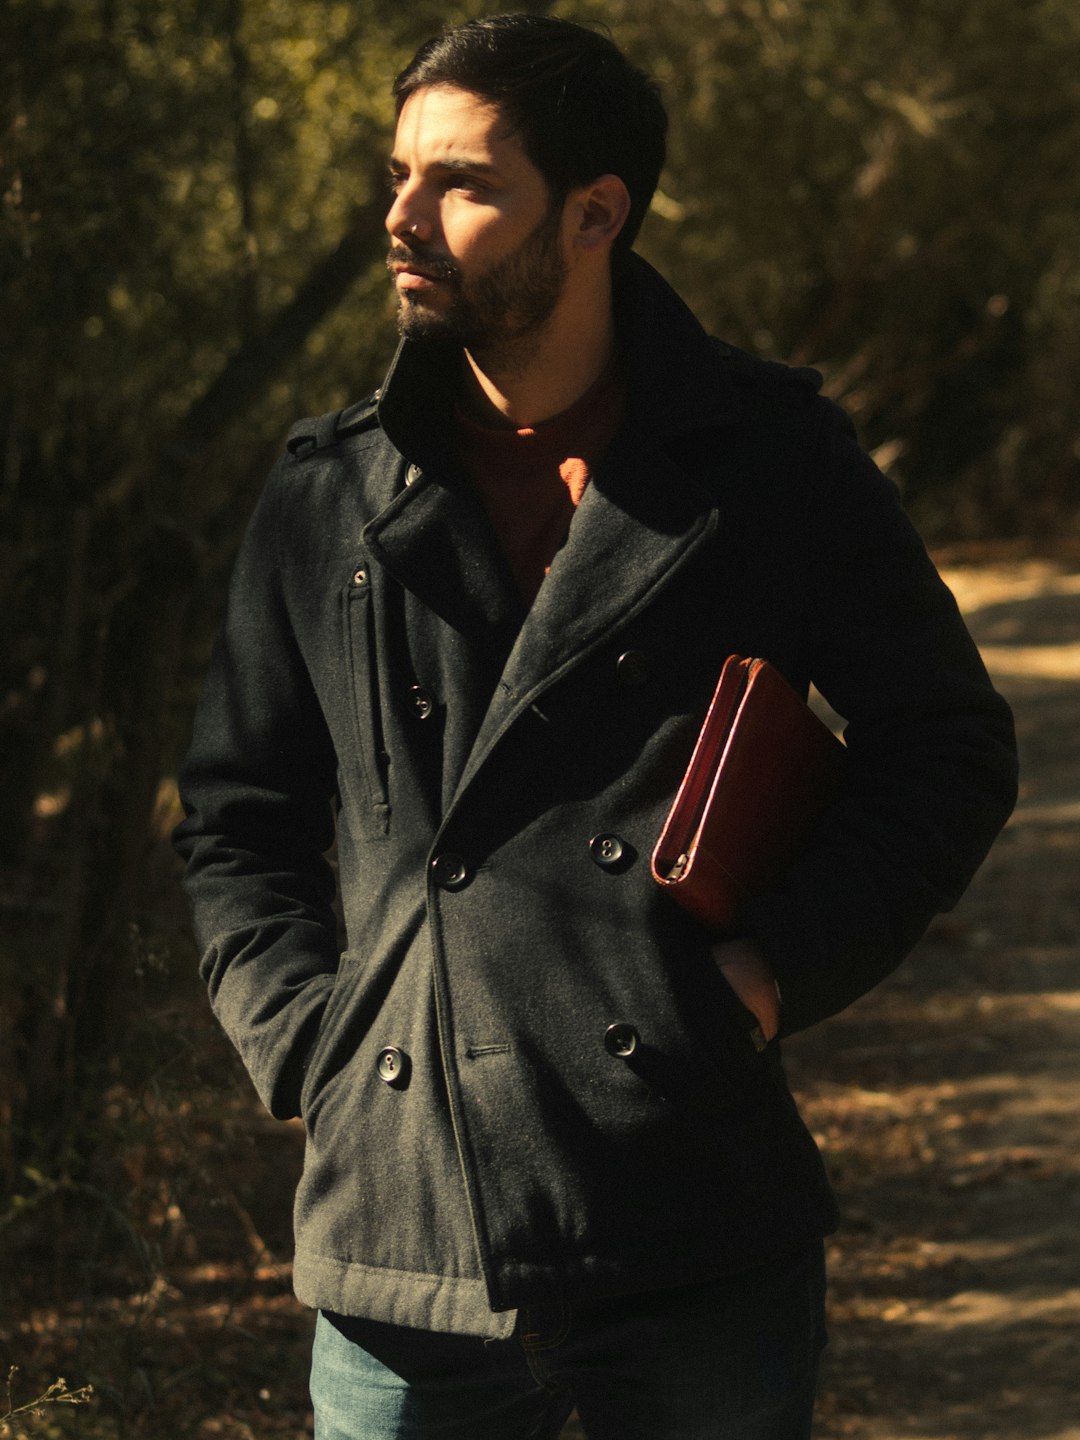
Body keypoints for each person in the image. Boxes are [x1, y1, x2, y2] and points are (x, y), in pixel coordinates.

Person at [174, 14, 1018, 1439]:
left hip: (684, 1204)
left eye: (459, 182)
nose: (400, 216)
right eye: (396, 175)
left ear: (593, 216)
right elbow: (234, 816)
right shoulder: (328, 493)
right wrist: (309, 1040)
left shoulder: (766, 460)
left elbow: (947, 747)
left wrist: (769, 971)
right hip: (398, 1228)